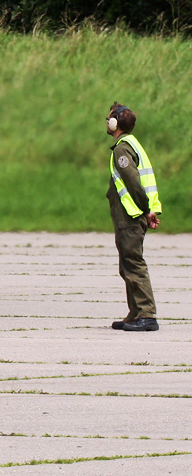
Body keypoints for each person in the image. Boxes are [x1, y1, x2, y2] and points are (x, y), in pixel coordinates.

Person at [106, 103, 161, 332]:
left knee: (133, 263)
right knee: (127, 264)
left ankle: (147, 315)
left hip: (131, 215)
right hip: (135, 213)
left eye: (109, 118)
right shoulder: (132, 144)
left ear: (115, 122)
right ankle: (135, 313)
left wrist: (146, 208)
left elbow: (133, 182)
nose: (106, 121)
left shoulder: (122, 149)